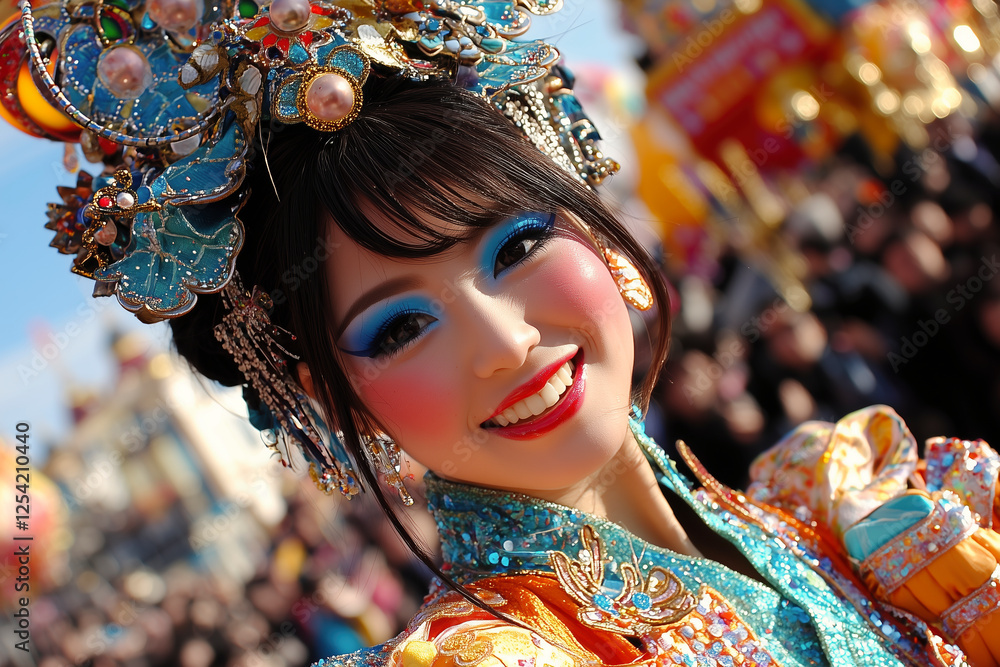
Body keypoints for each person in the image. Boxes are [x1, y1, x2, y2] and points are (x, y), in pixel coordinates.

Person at [5, 0, 999, 665]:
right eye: (398, 327)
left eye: (516, 245)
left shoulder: (844, 511)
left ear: (590, 216)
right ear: (321, 395)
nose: (503, 340)